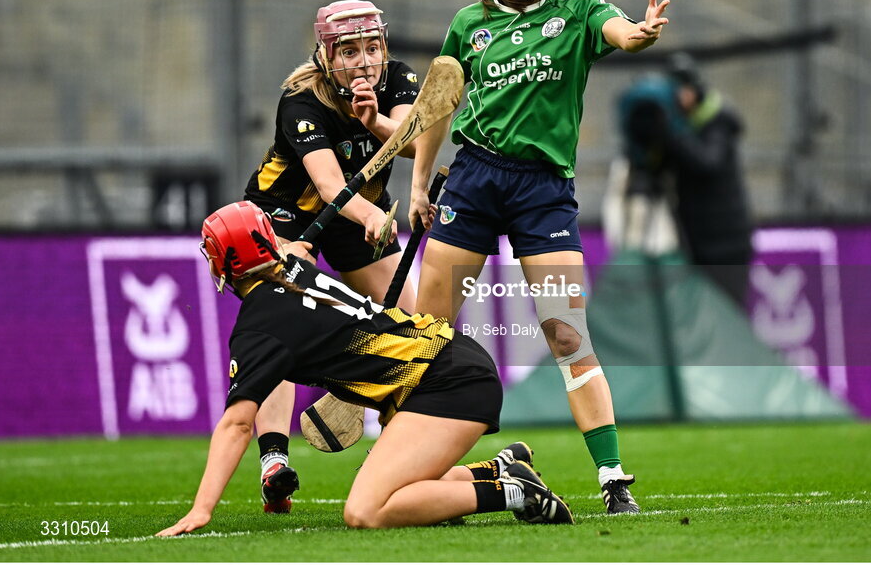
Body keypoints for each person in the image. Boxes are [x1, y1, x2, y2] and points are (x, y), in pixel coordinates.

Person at [408, 0, 669, 515]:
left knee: (567, 335)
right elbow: (437, 105)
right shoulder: (468, 25)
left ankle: (612, 479)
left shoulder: (580, 12)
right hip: (470, 180)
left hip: (542, 190)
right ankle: (424, 471)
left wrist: (640, 33)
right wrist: (418, 185)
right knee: (428, 336)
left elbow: (622, 35)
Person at [156, 201, 573, 536]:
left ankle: (517, 493)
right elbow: (295, 259)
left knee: (366, 510)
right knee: (401, 493)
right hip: (451, 362)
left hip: (444, 384)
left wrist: (201, 509)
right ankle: (499, 468)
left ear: (228, 262)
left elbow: (237, 425)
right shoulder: (297, 267)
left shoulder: (259, 326)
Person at [241, 0, 420, 513]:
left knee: (412, 324)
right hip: (285, 215)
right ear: (326, 54)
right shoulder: (301, 100)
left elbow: (411, 142)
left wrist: (377, 120)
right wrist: (370, 219)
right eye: (350, 51)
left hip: (359, 214)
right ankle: (274, 461)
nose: (364, 62)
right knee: (276, 331)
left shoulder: (399, 79)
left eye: (372, 47)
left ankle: (394, 459)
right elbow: (328, 185)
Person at [663, 52, 755, 309]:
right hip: (698, 243)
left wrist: (673, 135)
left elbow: (708, 162)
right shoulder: (685, 125)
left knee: (727, 319)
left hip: (726, 245)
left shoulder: (717, 120)